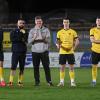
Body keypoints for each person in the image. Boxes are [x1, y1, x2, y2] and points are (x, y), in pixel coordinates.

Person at [28, 16, 53, 86]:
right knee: (36, 67)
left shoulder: (46, 30)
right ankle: (37, 82)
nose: (39, 23)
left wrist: (43, 38)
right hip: (35, 52)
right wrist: (34, 38)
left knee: (46, 67)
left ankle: (49, 81)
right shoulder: (32, 31)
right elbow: (29, 42)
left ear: (42, 22)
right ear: (35, 22)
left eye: (40, 22)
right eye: (37, 22)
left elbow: (49, 41)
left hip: (44, 51)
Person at [56, 17, 79, 87]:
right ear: (63, 23)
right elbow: (57, 42)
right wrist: (58, 45)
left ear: (69, 23)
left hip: (70, 52)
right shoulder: (59, 32)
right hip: (62, 52)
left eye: (67, 22)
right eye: (64, 22)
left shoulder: (73, 32)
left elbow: (77, 41)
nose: (66, 23)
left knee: (71, 67)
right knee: (62, 67)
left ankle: (72, 82)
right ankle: (61, 82)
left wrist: (73, 48)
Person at [8, 19, 28, 86]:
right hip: (15, 52)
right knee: (13, 67)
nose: (21, 24)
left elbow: (26, 40)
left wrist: (23, 35)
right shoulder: (13, 31)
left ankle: (20, 82)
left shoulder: (26, 32)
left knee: (22, 67)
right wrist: (20, 36)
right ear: (17, 24)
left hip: (23, 52)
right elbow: (12, 40)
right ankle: (11, 81)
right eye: (20, 23)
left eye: (23, 23)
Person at [90, 17, 100, 86]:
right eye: (98, 20)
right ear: (96, 22)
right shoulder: (92, 30)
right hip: (95, 50)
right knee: (94, 66)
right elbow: (92, 40)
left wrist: (96, 41)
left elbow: (95, 40)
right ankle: (94, 80)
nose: (99, 22)